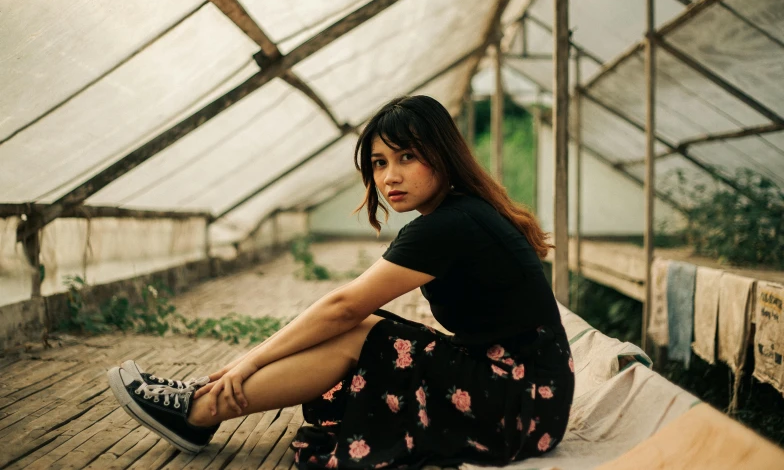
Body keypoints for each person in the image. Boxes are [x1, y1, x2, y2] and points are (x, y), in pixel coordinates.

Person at [107, 95, 574, 469]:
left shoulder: (452, 223)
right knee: (368, 330)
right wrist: (244, 362)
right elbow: (348, 310)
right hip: (524, 396)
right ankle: (201, 405)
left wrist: (246, 362)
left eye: (407, 157)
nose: (389, 176)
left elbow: (343, 306)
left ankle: (200, 410)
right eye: (378, 162)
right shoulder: (461, 213)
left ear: (443, 156)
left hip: (520, 407)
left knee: (364, 332)